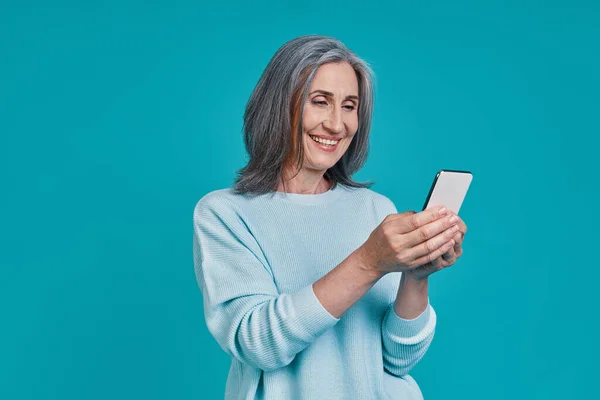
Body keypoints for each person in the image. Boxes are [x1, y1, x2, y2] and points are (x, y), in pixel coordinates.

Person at [192, 35, 467, 400]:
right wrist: (369, 262)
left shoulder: (375, 209)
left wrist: (416, 276)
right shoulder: (224, 214)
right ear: (278, 106)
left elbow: (398, 359)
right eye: (320, 102)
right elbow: (258, 343)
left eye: (350, 106)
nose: (337, 125)